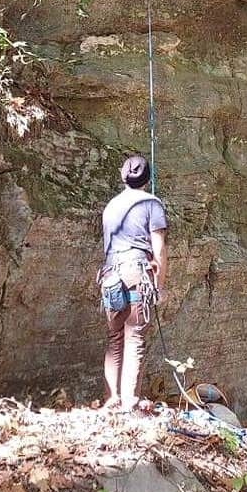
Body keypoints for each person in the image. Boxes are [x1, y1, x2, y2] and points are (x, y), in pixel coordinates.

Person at [100, 155, 167, 412]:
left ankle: (112, 399)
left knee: (114, 337)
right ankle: (130, 402)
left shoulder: (111, 207)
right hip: (136, 274)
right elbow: (159, 250)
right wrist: (159, 286)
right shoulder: (152, 203)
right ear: (147, 178)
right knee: (135, 336)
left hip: (110, 276)